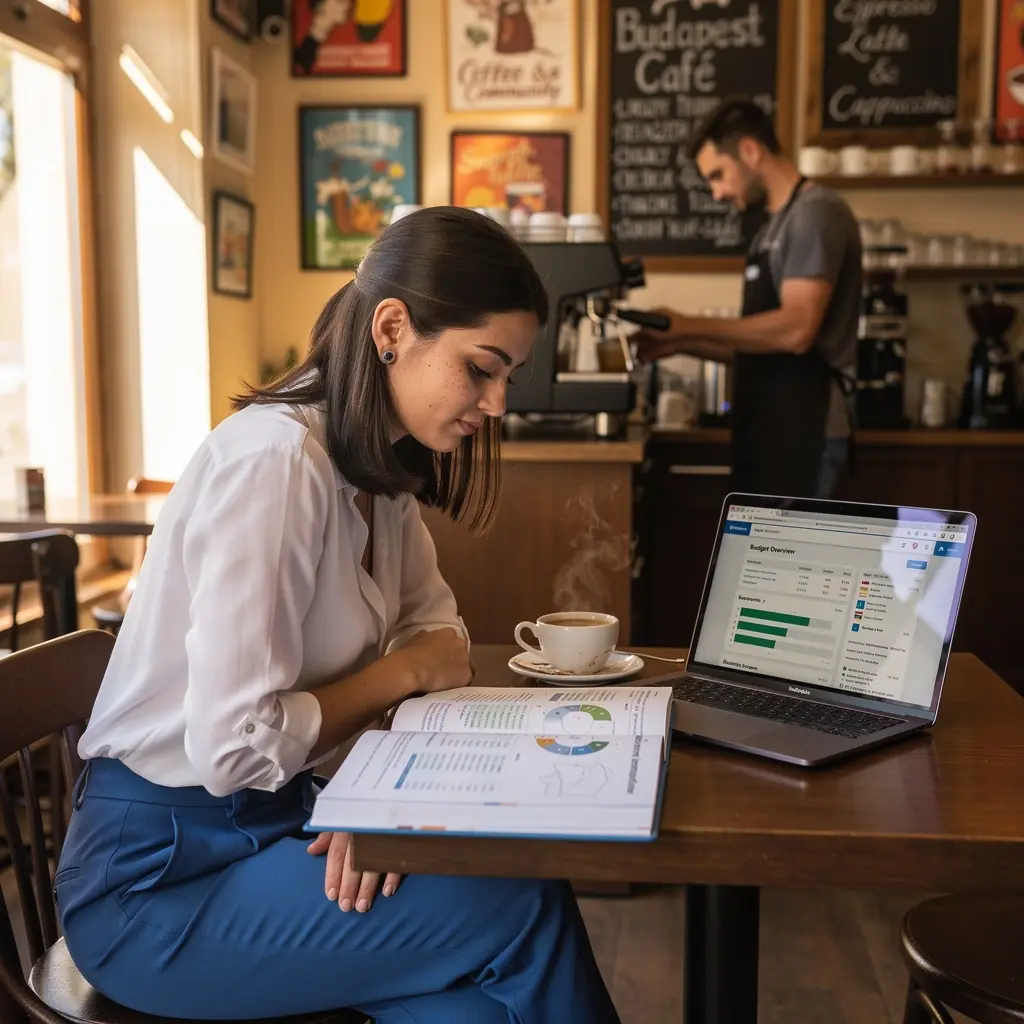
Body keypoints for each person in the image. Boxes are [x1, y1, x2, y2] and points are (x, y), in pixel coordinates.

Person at [54, 207, 621, 1024]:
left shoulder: (376, 472)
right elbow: (233, 746)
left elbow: (445, 638)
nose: (496, 403)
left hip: (281, 822)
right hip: (158, 883)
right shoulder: (275, 464)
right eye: (481, 369)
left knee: (476, 1013)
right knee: (524, 900)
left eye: (508, 377)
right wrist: (396, 679)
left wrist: (366, 793)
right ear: (394, 328)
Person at [635, 99, 862, 498]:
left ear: (751, 152)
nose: (717, 192)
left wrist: (687, 322)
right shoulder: (770, 229)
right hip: (770, 429)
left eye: (718, 175)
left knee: (792, 563)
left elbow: (795, 331)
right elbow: (762, 346)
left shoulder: (815, 213)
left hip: (807, 431)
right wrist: (678, 343)